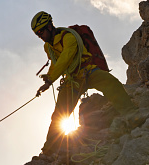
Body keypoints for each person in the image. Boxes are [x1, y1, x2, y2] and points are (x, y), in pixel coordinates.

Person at [31, 11, 136, 155]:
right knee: (60, 114)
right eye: (37, 34)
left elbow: (66, 57)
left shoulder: (68, 37)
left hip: (87, 71)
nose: (40, 36)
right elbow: (56, 63)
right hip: (72, 80)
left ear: (49, 26)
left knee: (111, 83)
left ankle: (131, 114)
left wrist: (50, 79)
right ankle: (49, 150)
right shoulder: (48, 47)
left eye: (41, 31)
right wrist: (48, 81)